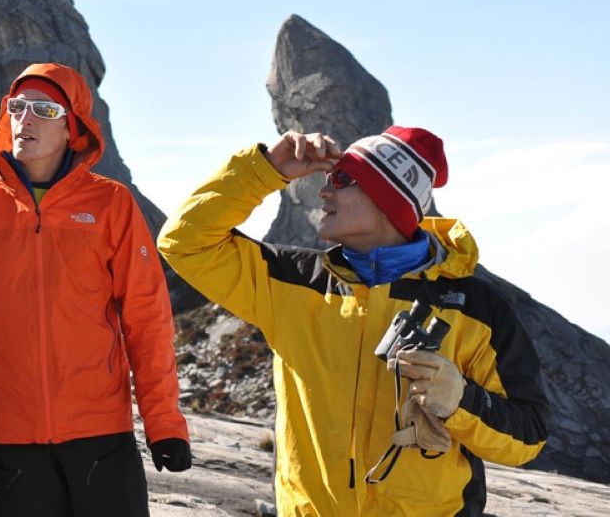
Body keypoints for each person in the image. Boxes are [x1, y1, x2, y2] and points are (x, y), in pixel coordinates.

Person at [157, 126, 549, 516]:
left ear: (388, 199)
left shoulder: (477, 307)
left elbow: (527, 437)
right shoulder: (292, 279)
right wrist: (265, 169)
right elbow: (185, 242)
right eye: (328, 178)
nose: (324, 191)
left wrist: (462, 400)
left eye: (342, 179)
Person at [0, 62, 191, 516]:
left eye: (43, 109)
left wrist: (164, 423)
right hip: (11, 444)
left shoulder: (111, 204)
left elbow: (147, 319)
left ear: (73, 127)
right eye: (16, 106)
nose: (24, 118)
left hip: (101, 437)